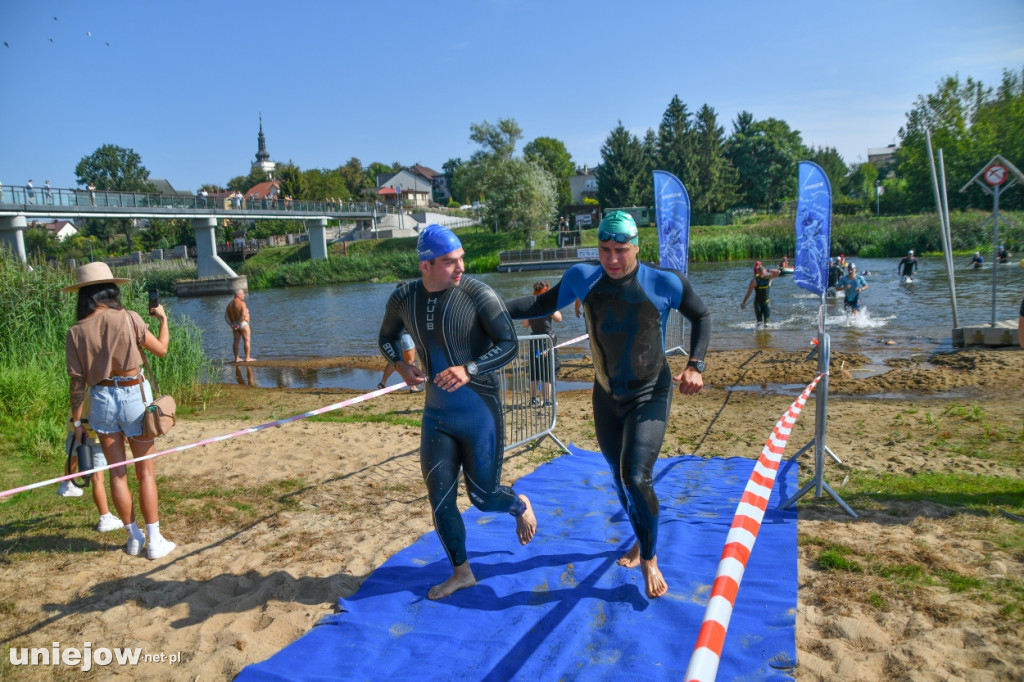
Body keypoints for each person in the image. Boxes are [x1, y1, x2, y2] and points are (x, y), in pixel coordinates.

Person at [505, 210, 710, 599]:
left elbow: (701, 315)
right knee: (619, 478)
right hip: (606, 395)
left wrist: (696, 365)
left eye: (621, 250)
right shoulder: (583, 278)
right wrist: (490, 309)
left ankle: (649, 557)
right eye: (604, 250)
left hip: (650, 392)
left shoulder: (663, 282)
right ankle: (639, 536)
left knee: (636, 476)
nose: (612, 259)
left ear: (637, 247)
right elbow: (539, 305)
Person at [377, 224, 537, 600]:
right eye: (450, 262)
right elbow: (385, 338)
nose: (461, 266)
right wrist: (401, 365)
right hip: (437, 414)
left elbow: (509, 345)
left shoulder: (479, 294)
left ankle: (518, 504)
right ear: (425, 266)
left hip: (479, 411)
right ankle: (462, 572)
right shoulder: (404, 298)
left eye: (461, 258)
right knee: (440, 498)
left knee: (483, 497)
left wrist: (470, 369)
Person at [64, 262, 175, 559]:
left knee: (117, 475)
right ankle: (154, 541)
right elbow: (161, 350)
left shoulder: (75, 332)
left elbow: (76, 384)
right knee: (145, 472)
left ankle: (134, 537)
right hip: (132, 394)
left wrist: (78, 422)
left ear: (84, 296)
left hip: (100, 399)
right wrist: (163, 319)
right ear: (110, 289)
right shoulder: (129, 318)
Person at [58, 396, 125, 533]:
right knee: (98, 478)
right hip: (96, 433)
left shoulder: (82, 379)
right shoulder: (103, 382)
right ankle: (104, 517)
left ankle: (66, 483)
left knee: (74, 456)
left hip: (76, 426)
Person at [521, 281, 562, 406]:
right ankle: (548, 401)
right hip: (547, 340)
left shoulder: (530, 304)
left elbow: (525, 324)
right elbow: (559, 318)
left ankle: (533, 399)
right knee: (548, 370)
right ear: (546, 290)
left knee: (535, 371)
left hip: (535, 339)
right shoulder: (546, 303)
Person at [378, 284, 421, 392]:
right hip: (406, 337)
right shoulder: (408, 304)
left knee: (395, 361)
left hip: (395, 338)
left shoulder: (393, 304)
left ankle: (382, 382)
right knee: (410, 361)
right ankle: (413, 386)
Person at [740, 261, 781, 328]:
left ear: (765, 272)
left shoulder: (769, 278)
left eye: (763, 274)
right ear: (758, 273)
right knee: (759, 323)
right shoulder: (754, 281)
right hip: (757, 304)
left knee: (766, 324)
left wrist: (767, 270)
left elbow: (778, 272)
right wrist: (743, 303)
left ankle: (765, 337)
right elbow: (749, 293)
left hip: (766, 303)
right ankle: (758, 336)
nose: (762, 276)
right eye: (760, 274)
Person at [225, 288, 254, 362]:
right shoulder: (242, 303)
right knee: (247, 340)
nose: (244, 295)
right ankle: (247, 358)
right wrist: (239, 324)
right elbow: (243, 315)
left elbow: (226, 317)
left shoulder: (229, 304)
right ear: (238, 295)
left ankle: (236, 358)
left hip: (234, 324)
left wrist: (231, 324)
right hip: (243, 324)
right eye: (243, 294)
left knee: (236, 342)